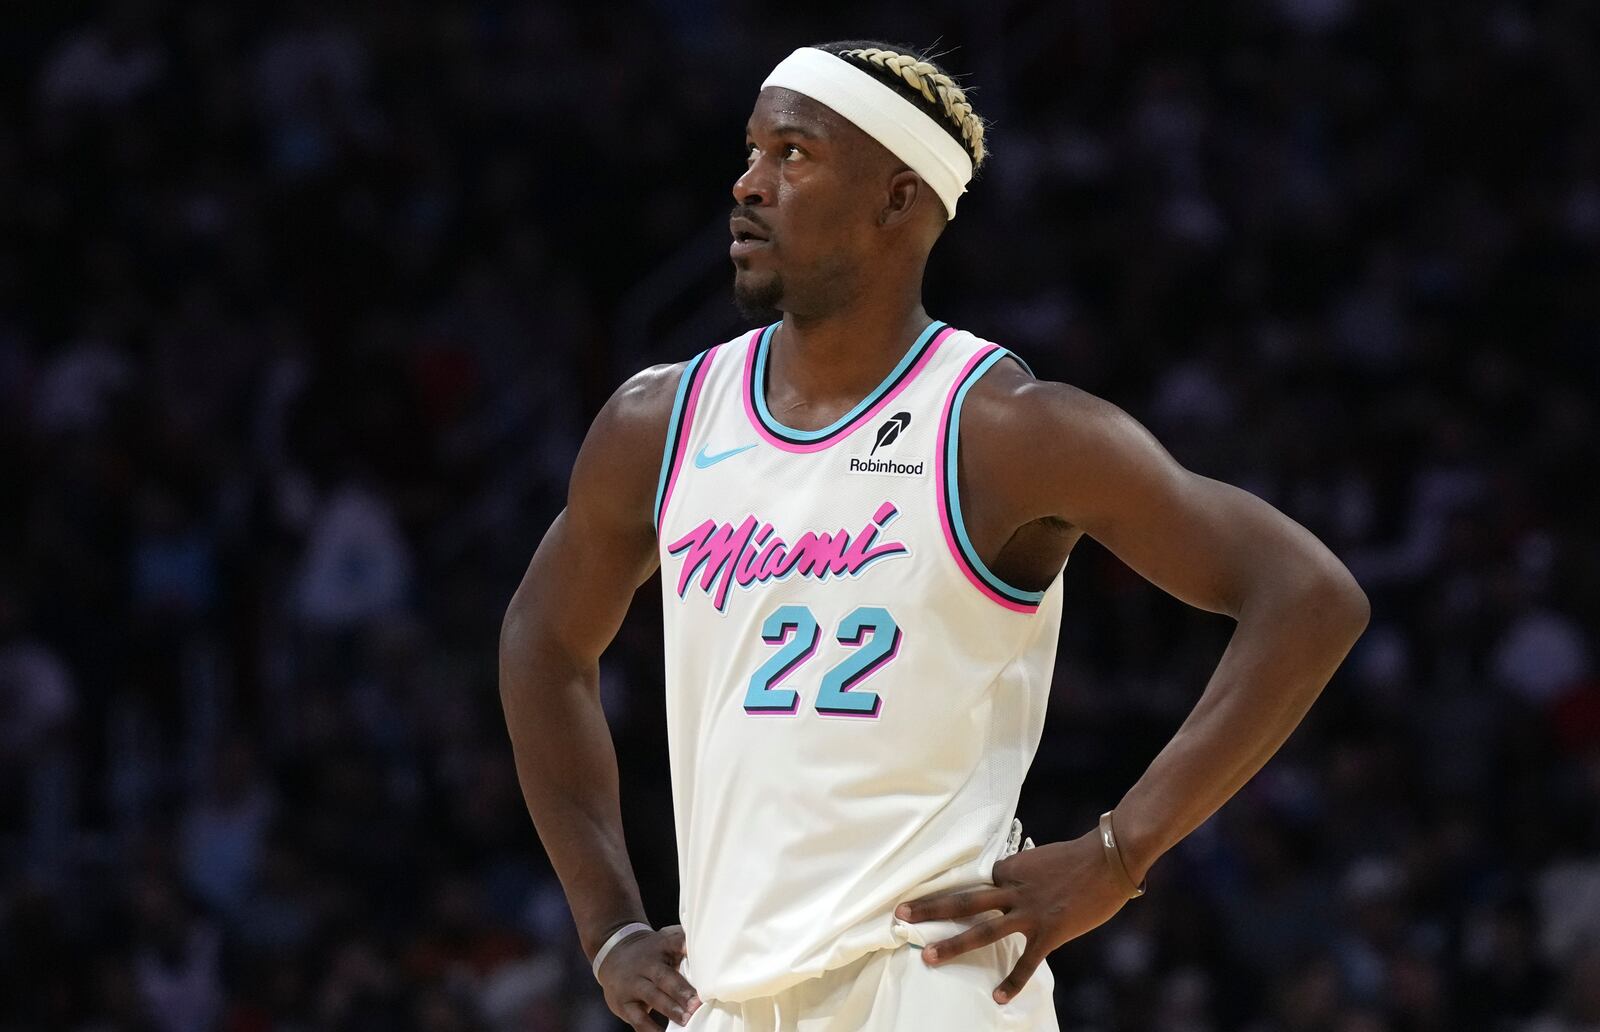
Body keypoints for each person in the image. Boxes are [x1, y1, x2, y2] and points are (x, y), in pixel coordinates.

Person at [497, 39, 1371, 1031]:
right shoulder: (660, 422)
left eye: (793, 153)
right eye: (750, 150)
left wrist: (1119, 854)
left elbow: (1307, 595)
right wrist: (609, 926)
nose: (747, 183)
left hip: (926, 983)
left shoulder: (1004, 428)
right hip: (727, 995)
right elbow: (543, 641)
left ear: (895, 200)